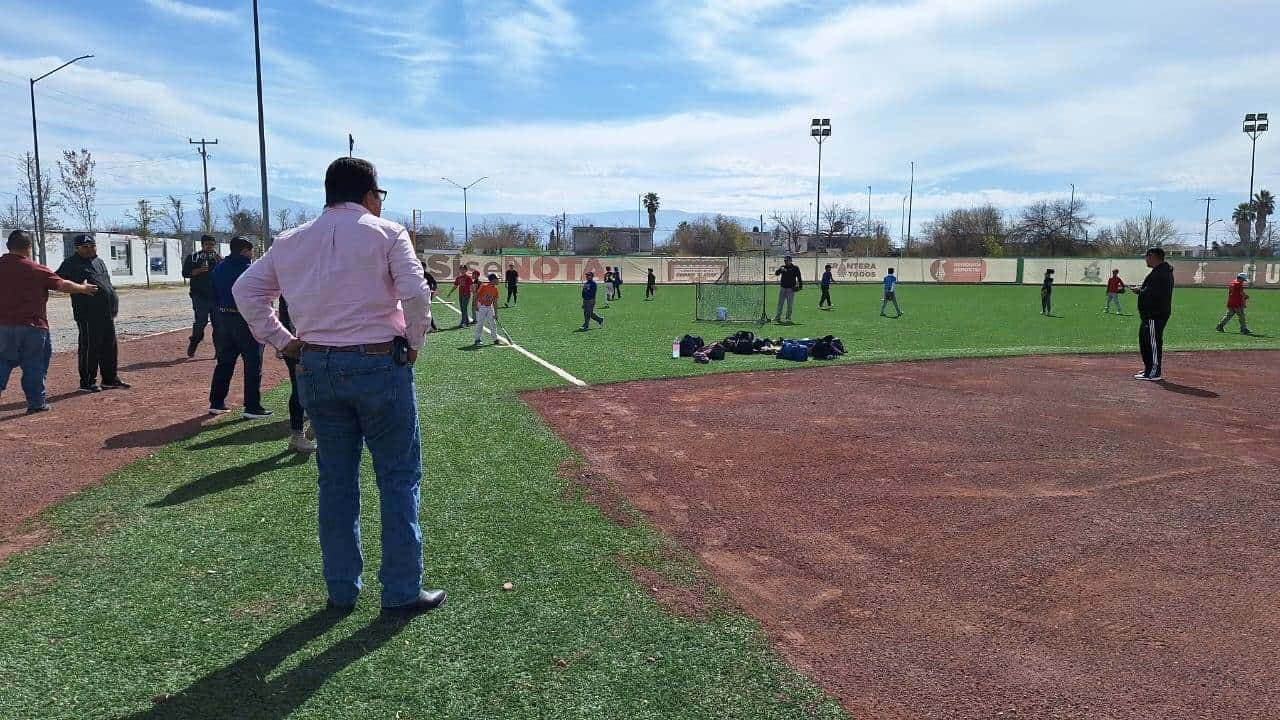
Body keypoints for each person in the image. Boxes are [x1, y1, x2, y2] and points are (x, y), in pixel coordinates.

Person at [233, 156, 443, 615]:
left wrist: (284, 342)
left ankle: (343, 589)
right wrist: (414, 343)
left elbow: (247, 292)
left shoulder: (289, 241)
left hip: (317, 367)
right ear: (370, 195)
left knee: (336, 481)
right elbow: (415, 292)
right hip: (377, 364)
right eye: (379, 196)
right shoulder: (387, 234)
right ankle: (402, 589)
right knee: (398, 478)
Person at [0, 230, 98, 414]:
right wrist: (83, 288)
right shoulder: (36, 269)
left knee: (2, 363)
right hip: (33, 327)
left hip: (2, 327)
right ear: (29, 247)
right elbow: (63, 285)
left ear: (8, 247)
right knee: (34, 365)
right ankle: (36, 403)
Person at [55, 233, 129, 392]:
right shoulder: (70, 263)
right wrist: (78, 288)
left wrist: (113, 303)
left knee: (110, 346)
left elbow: (107, 284)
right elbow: (56, 283)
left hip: (106, 312)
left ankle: (109, 379)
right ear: (77, 248)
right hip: (87, 314)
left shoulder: (99, 261)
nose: (90, 249)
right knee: (90, 347)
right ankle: (87, 381)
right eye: (85, 247)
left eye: (92, 246)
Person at [208, 236, 271, 419]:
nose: (252, 254)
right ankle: (252, 406)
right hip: (246, 320)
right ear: (245, 250)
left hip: (223, 319)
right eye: (251, 251)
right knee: (253, 364)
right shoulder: (249, 270)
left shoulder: (218, 268)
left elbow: (212, 294)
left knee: (224, 362)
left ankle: (217, 402)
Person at [278, 297, 315, 453]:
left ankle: (314, 425)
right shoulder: (292, 284)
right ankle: (297, 434)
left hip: (314, 344)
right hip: (299, 346)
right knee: (299, 388)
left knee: (317, 385)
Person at [1130, 247, 1174, 381]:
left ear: (1153, 256)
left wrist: (1139, 291)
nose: (1146, 259)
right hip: (1149, 315)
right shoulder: (1158, 272)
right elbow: (1151, 290)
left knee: (1153, 343)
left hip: (1155, 314)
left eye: (1147, 256)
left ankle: (1155, 371)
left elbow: (1154, 294)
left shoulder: (1162, 273)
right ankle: (1149, 369)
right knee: (1145, 341)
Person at [182, 234, 222, 357]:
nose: (210, 247)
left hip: (216, 297)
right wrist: (200, 270)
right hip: (199, 296)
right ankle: (194, 341)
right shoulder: (194, 258)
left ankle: (219, 351)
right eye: (207, 244)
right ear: (202, 244)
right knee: (200, 323)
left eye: (212, 244)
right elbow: (185, 273)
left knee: (219, 325)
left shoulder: (219, 258)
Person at [473, 273, 501, 346]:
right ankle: (477, 339)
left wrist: (496, 313)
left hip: (489, 307)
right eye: (497, 279)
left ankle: (495, 339)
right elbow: (477, 295)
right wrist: (475, 305)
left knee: (493, 323)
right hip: (481, 306)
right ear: (492, 280)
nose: (498, 280)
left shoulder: (495, 289)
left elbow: (495, 302)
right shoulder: (484, 286)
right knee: (480, 323)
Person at [774, 255, 802, 323]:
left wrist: (800, 286)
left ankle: (788, 318)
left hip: (791, 289)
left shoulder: (795, 268)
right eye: (785, 261)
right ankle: (777, 317)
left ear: (790, 261)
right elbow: (776, 274)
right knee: (780, 304)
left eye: (787, 260)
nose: (786, 262)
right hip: (783, 288)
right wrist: (780, 270)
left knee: (789, 305)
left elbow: (799, 277)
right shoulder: (782, 267)